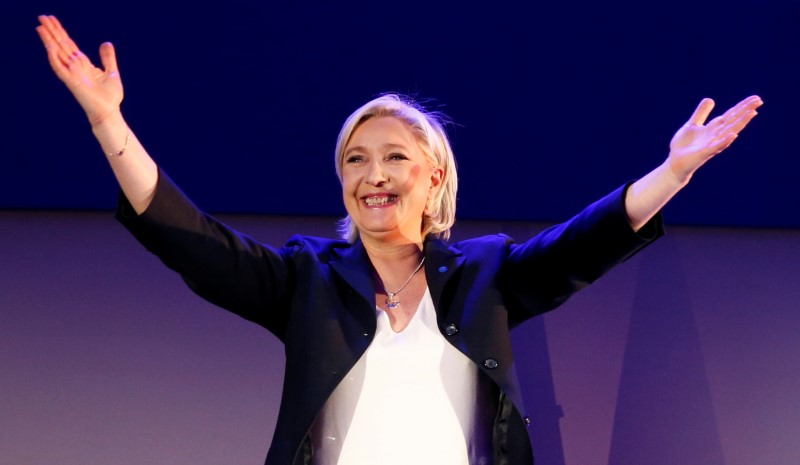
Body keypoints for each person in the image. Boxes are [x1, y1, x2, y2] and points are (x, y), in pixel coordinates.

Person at [35, 14, 762, 465]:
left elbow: (586, 242)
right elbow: (188, 237)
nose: (372, 175)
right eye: (355, 159)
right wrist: (108, 123)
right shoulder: (305, 278)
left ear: (434, 172)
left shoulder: (488, 273)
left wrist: (673, 170)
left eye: (393, 157)